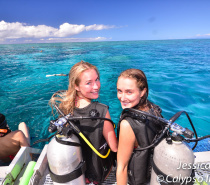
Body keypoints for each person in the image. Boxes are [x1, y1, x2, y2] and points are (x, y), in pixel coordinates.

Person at [50, 60, 118, 184]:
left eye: (97, 79)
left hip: (79, 174)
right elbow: (114, 147)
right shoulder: (101, 110)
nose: (96, 86)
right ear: (76, 86)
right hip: (99, 174)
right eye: (89, 83)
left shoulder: (65, 109)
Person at [116, 69, 163, 185]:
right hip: (155, 175)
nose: (122, 97)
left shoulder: (127, 125)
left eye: (129, 92)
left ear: (142, 92)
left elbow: (122, 167)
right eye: (119, 91)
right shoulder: (153, 109)